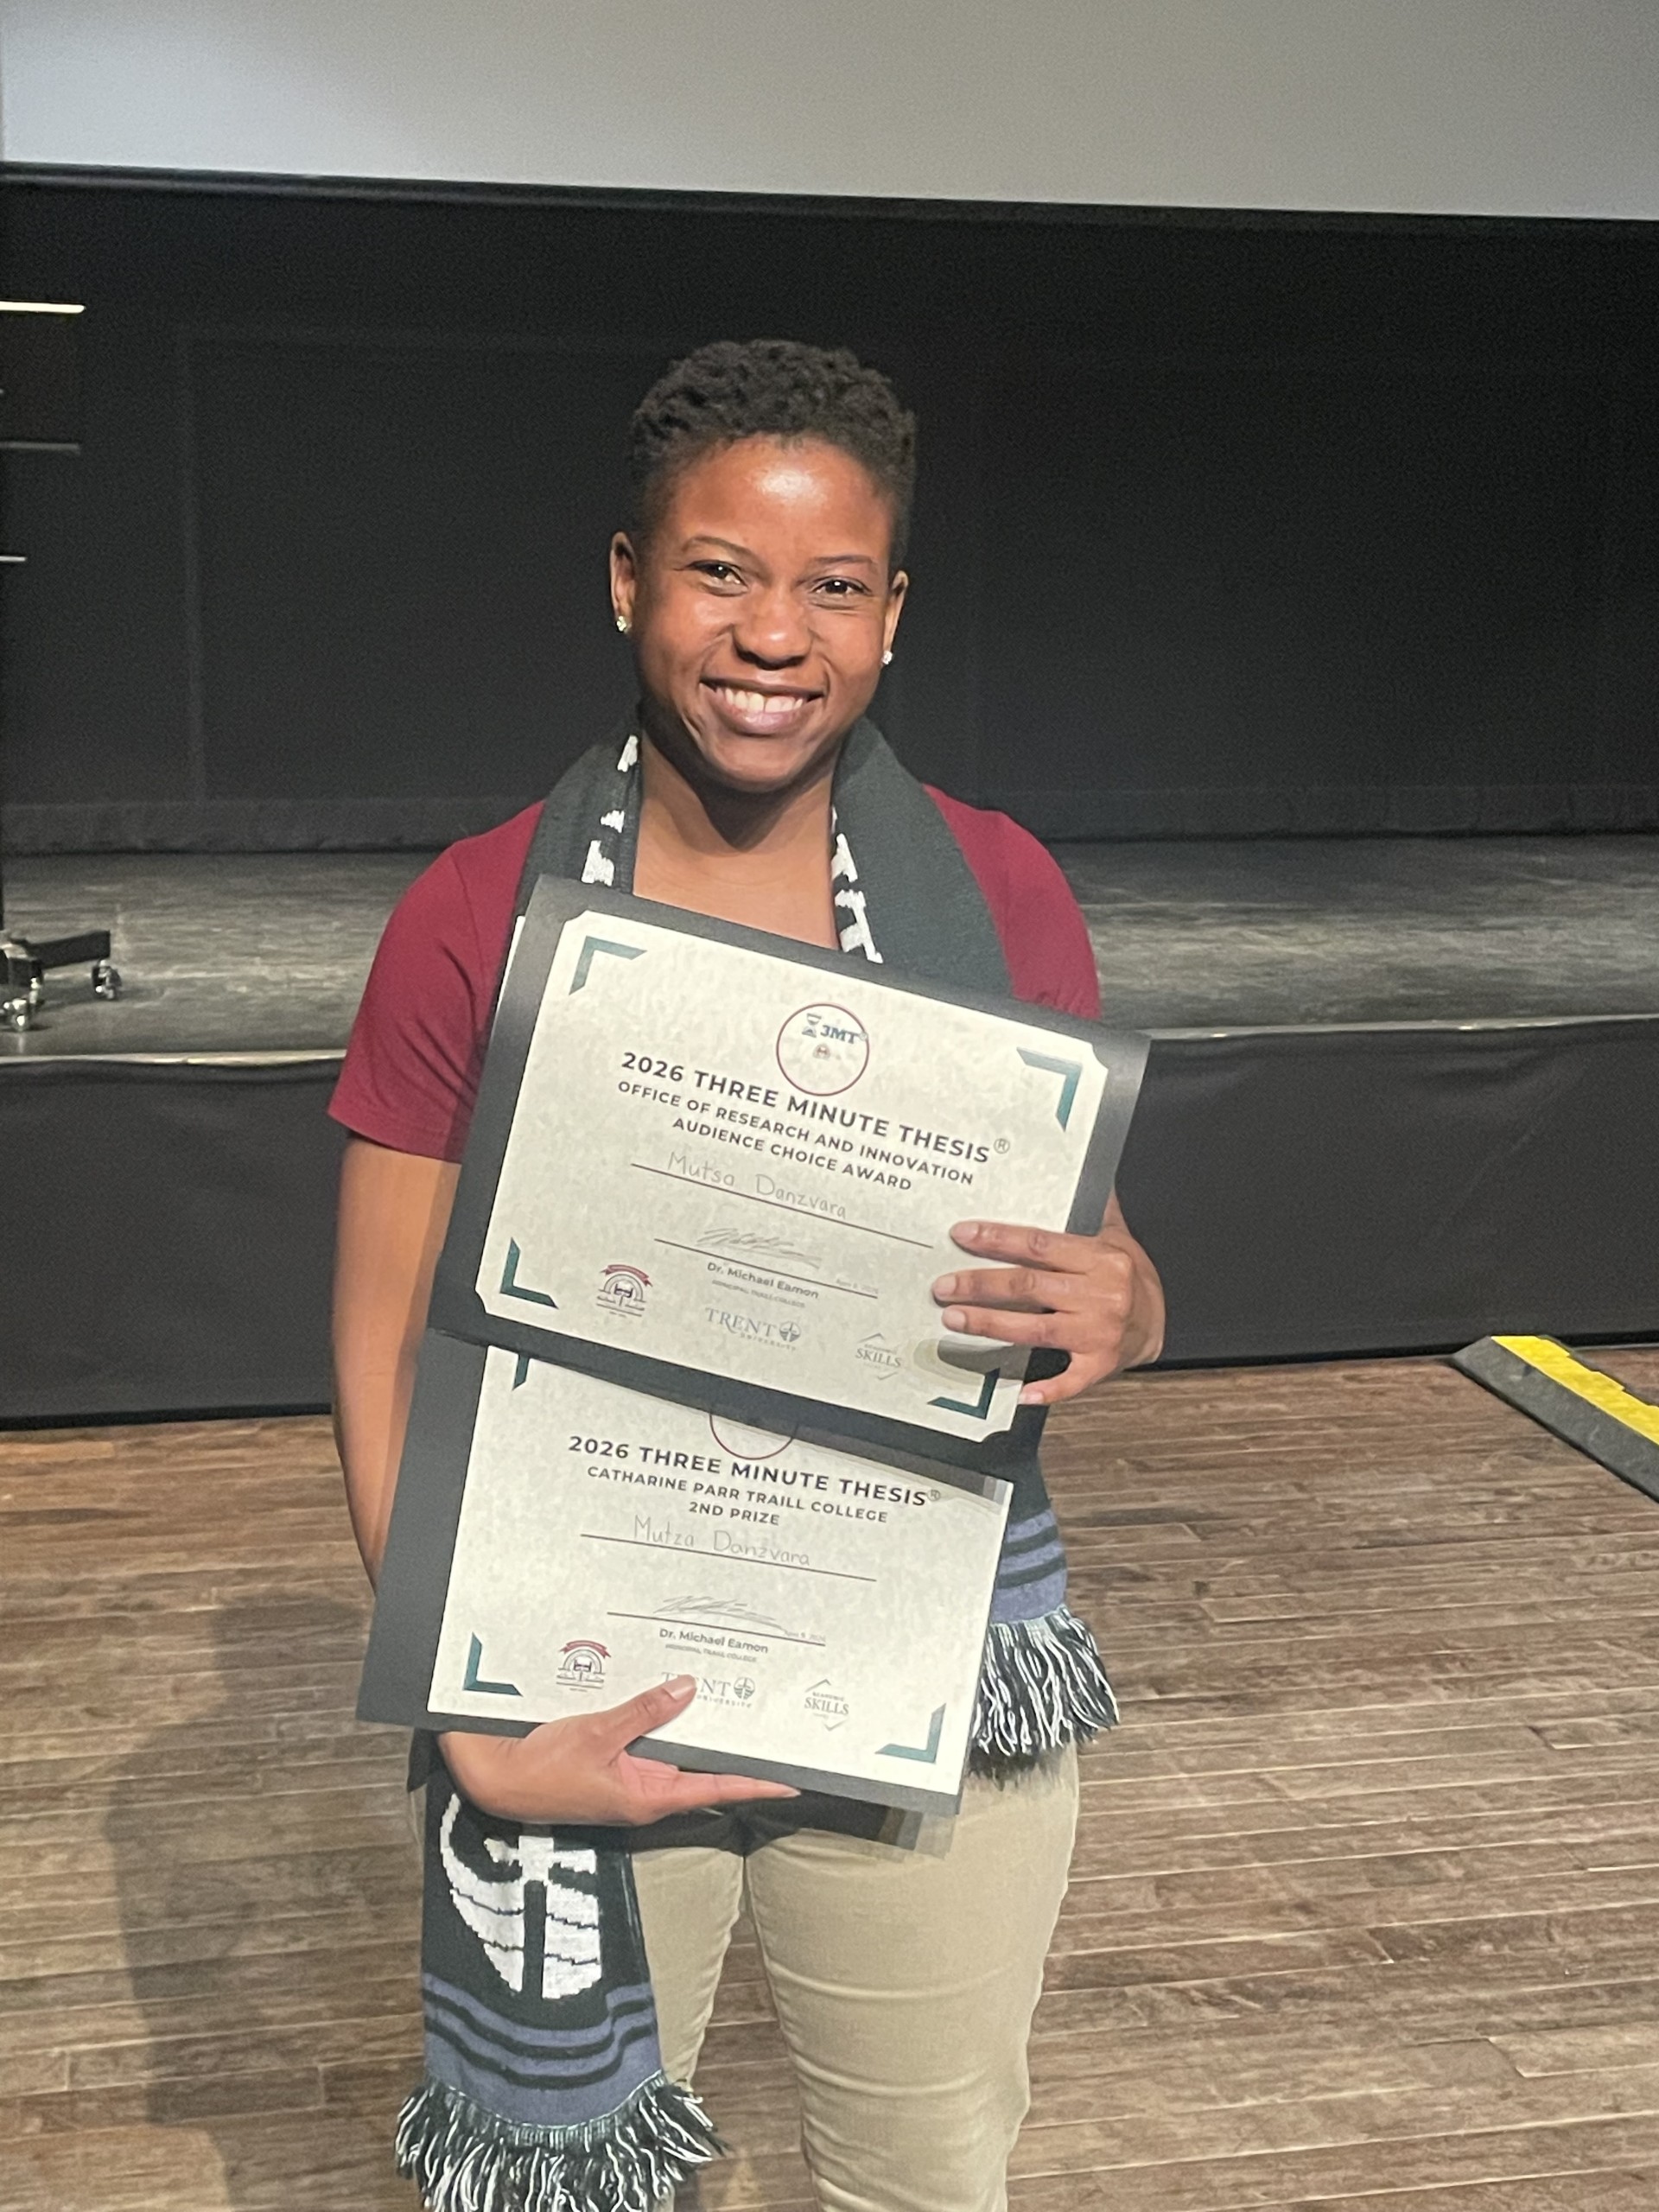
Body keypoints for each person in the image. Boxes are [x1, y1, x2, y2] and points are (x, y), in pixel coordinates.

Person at [332, 338, 1164, 2212]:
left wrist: (1128, 1305)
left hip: (917, 1659)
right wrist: (471, 1716)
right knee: (583, 2178)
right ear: (630, 579)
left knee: (929, 2169)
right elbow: (383, 1343)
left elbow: (1102, 1255)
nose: (774, 632)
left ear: (892, 615)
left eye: (832, 584)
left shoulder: (999, 889)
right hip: (583, 1675)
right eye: (721, 570)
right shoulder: (476, 914)